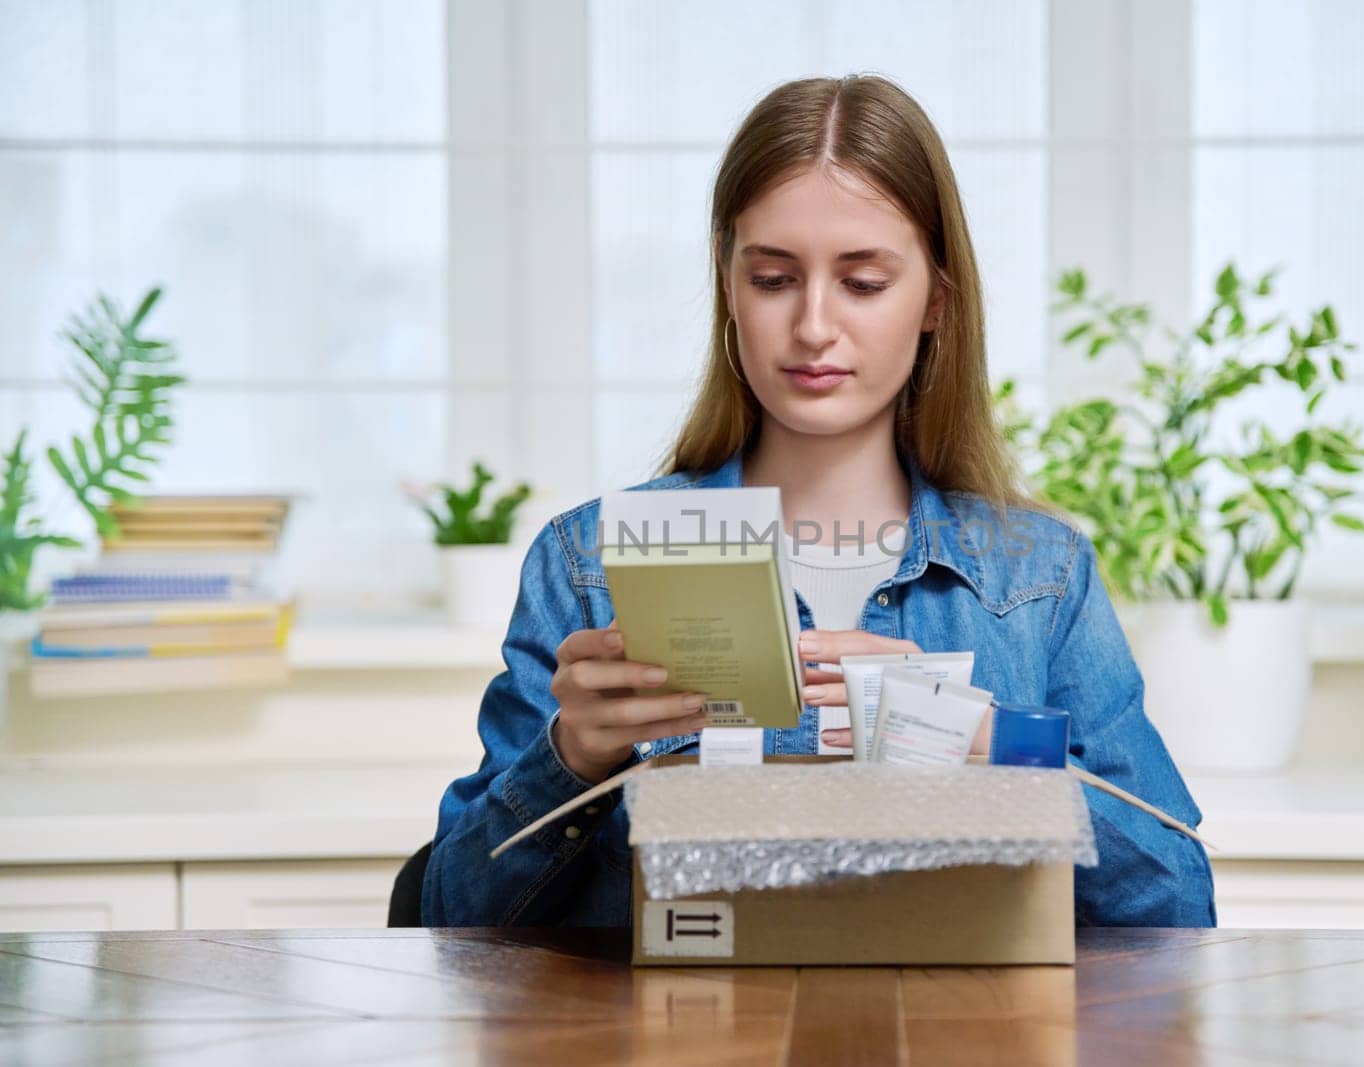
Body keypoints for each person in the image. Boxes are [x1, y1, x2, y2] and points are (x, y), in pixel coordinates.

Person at [422, 74, 1215, 928]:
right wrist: (571, 758)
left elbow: (1178, 901)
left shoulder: (1039, 577)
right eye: (773, 278)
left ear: (935, 304)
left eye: (864, 283)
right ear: (729, 285)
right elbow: (451, 922)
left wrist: (1004, 752)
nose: (812, 327)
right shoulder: (592, 563)